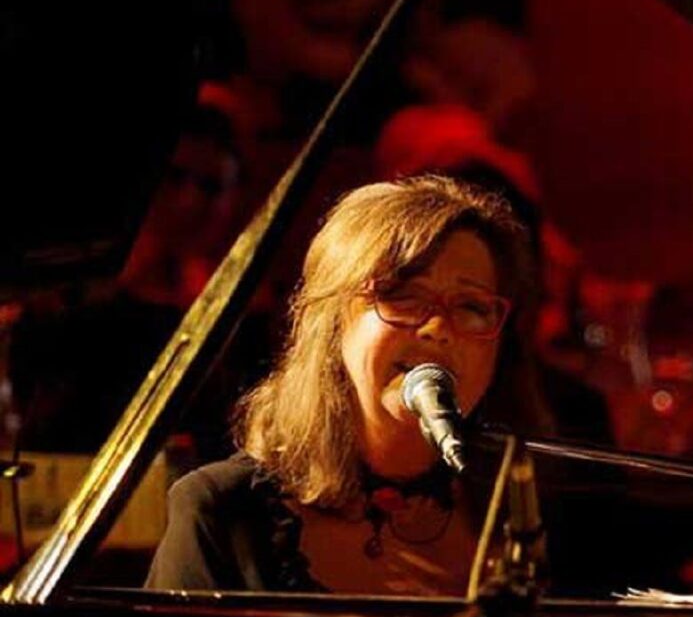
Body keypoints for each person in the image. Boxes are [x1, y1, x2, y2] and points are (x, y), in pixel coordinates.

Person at [146, 174, 539, 595]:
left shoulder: (529, 517)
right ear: (333, 322)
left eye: (472, 306)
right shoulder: (222, 512)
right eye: (405, 295)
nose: (439, 328)